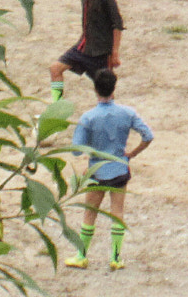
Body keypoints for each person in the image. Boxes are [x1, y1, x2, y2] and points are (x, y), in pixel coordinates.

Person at [65, 69, 153, 271]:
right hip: (119, 167)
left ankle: (82, 255)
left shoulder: (88, 118)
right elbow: (148, 136)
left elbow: (77, 151)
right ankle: (115, 257)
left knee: (90, 213)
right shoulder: (127, 113)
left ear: (95, 89)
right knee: (117, 212)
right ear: (114, 88)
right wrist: (132, 154)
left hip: (97, 170)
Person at [49, 0, 122, 100]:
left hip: (100, 54)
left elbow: (117, 24)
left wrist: (114, 53)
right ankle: (56, 105)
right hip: (83, 47)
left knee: (105, 93)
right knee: (55, 69)